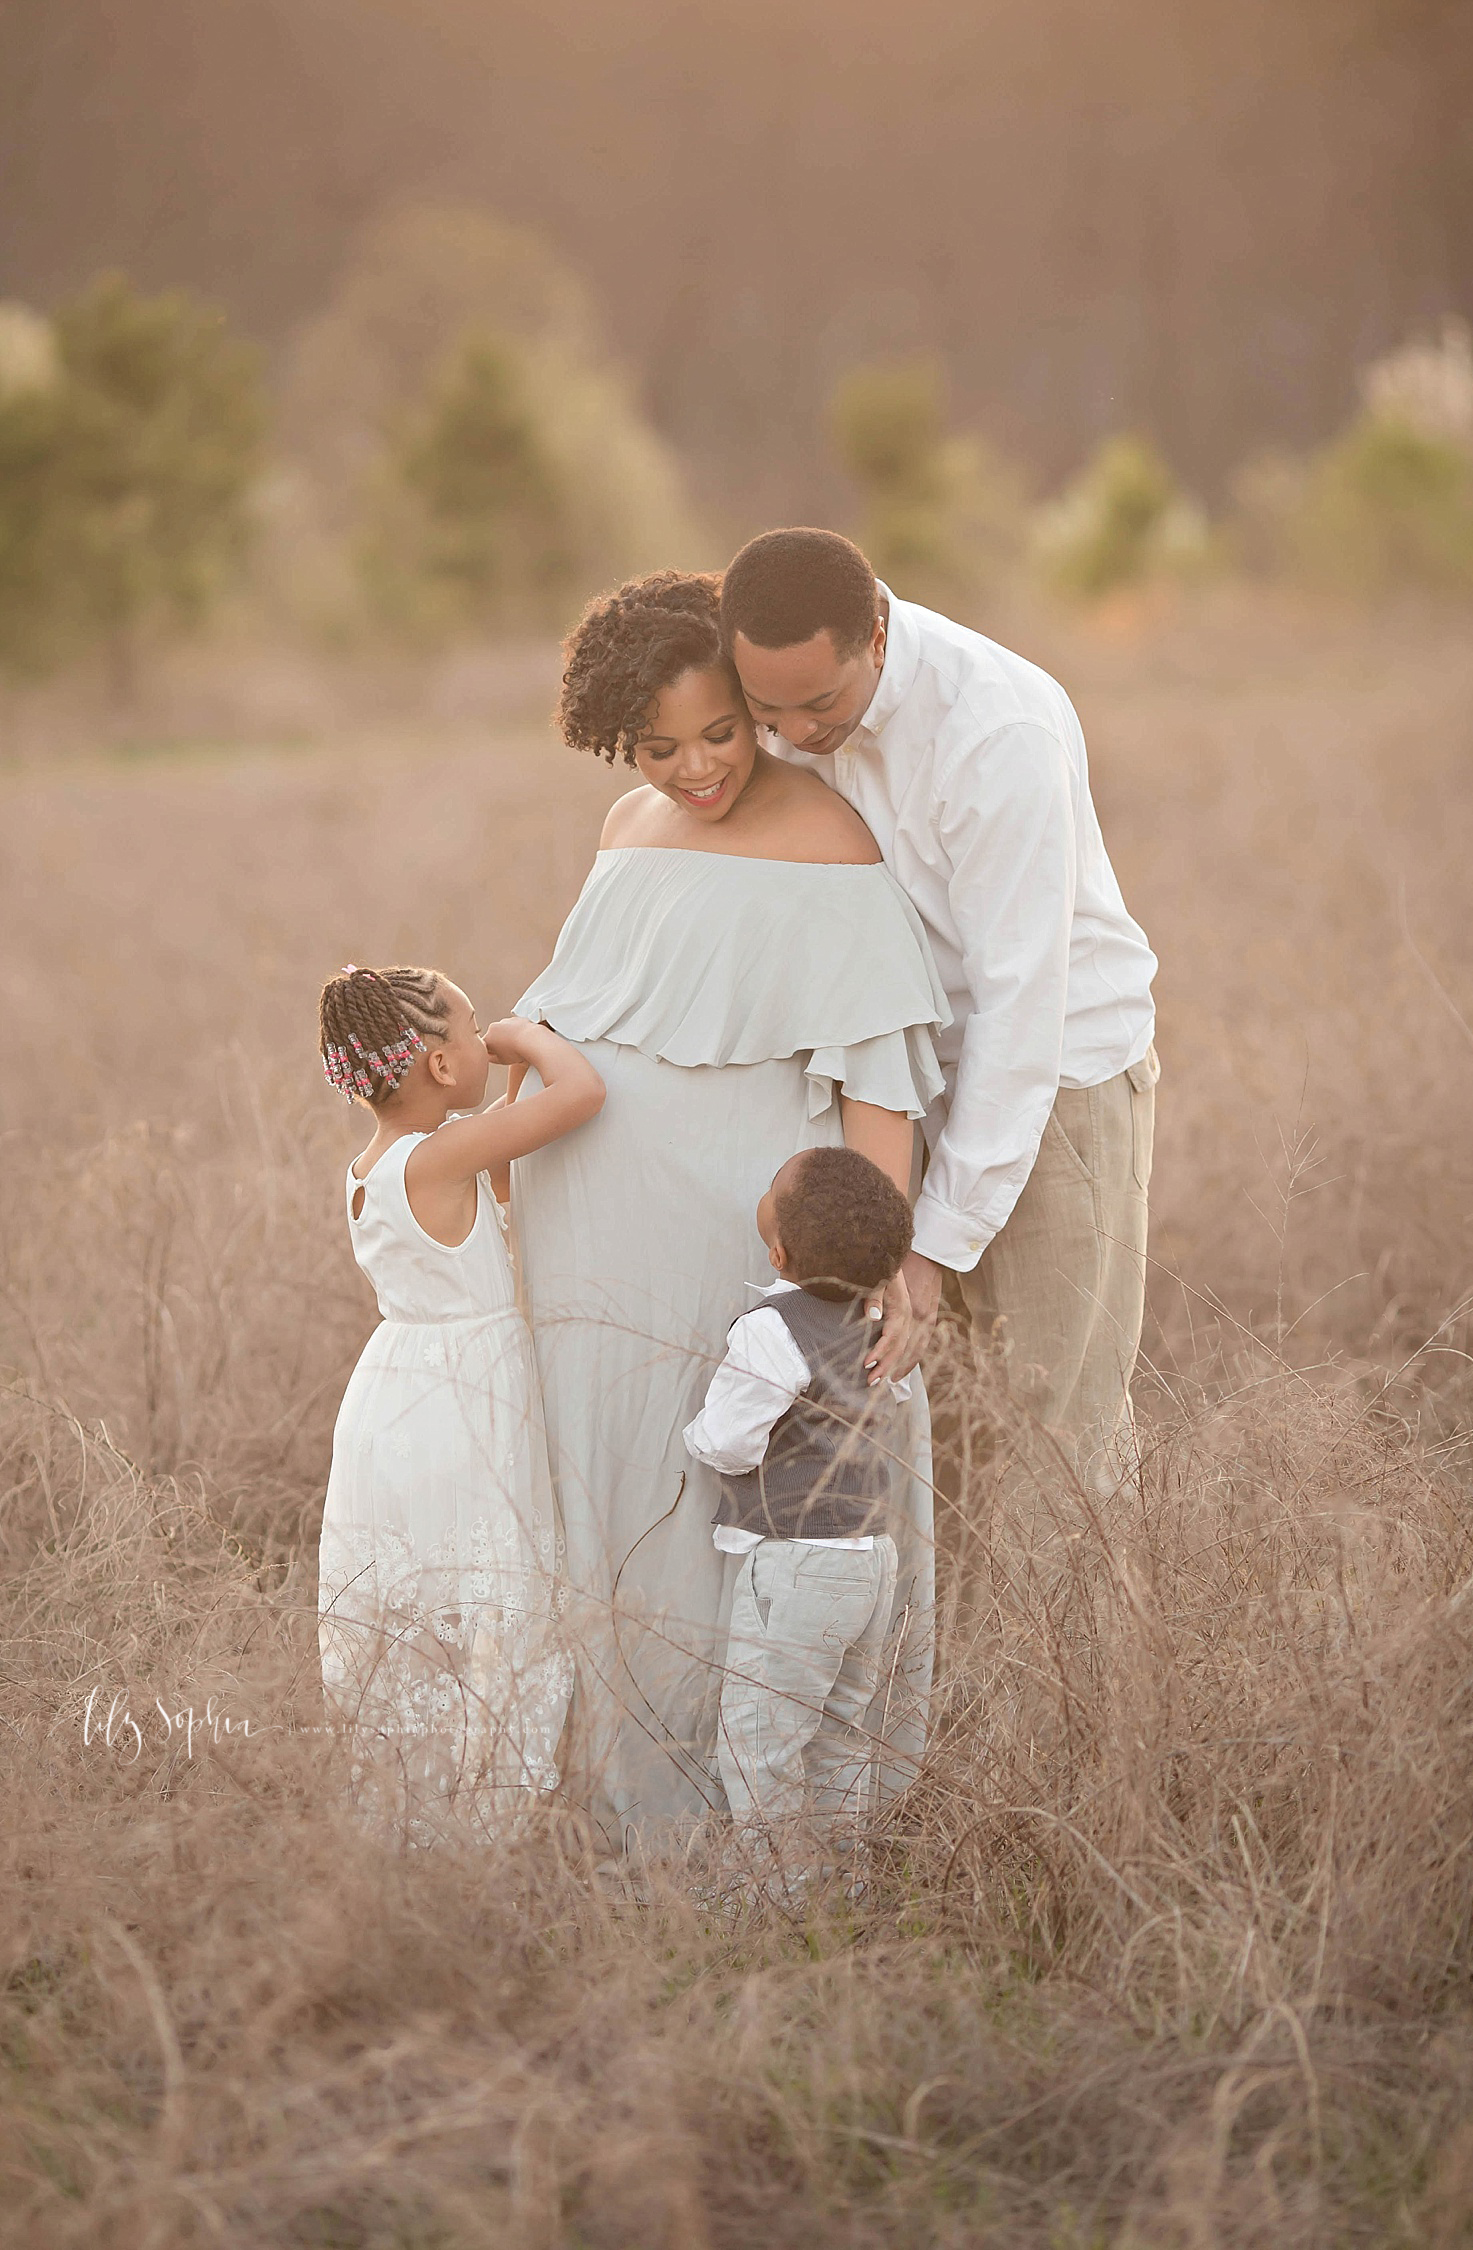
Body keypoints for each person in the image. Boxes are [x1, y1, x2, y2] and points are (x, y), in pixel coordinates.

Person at [506, 570, 950, 1853]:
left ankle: (775, 1828)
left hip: (748, 1249)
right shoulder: (626, 829)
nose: (698, 767)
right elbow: (581, 1016)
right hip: (599, 1246)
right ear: (616, 742)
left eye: (722, 731)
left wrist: (881, 1272)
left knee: (748, 1496)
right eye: (661, 746)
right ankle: (638, 1805)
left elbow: (878, 1092)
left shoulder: (830, 839)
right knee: (629, 1493)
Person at [720, 528, 1159, 1507]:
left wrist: (928, 1250)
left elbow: (1018, 1010)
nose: (790, 731)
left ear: (877, 634)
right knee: (930, 1425)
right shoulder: (783, 712)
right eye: (765, 708)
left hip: (1056, 1085)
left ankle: (1083, 1663)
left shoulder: (997, 730)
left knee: (1059, 1430)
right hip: (900, 1080)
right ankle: (946, 1661)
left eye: (819, 704)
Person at [316, 962, 604, 1840]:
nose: (487, 1041)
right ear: (441, 1067)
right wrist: (530, 1041)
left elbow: (513, 1182)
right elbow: (581, 1096)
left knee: (420, 1594)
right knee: (494, 1586)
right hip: (469, 1389)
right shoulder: (441, 1154)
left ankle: (410, 1796)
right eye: (474, 1031)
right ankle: (489, 1811)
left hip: (396, 1393)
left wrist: (501, 1069)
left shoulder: (372, 1166)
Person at [682, 1147, 915, 1875]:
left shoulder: (772, 1329)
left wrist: (695, 1435)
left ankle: (769, 1893)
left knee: (760, 1739)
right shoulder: (875, 1325)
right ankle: (843, 1879)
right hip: (871, 1558)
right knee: (841, 1733)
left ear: (777, 1250)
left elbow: (726, 1442)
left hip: (799, 1563)